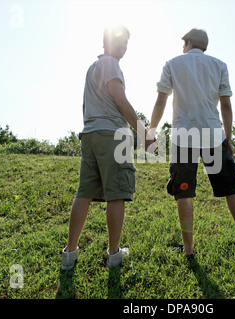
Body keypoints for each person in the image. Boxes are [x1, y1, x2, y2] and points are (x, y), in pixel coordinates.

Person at [149, 28, 235, 259]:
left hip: (183, 137)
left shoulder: (172, 64)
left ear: (187, 43)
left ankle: (188, 251)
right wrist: (229, 138)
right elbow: (225, 106)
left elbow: (161, 101)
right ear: (204, 46)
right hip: (213, 135)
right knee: (231, 187)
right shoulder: (219, 65)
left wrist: (151, 130)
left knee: (184, 192)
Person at [61, 25, 155, 270]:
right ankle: (114, 254)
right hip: (113, 134)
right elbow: (120, 100)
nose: (123, 47)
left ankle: (69, 254)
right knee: (118, 192)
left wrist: (92, 127)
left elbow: (84, 105)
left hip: (90, 133)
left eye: (126, 43)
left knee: (84, 192)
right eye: (120, 42)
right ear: (108, 43)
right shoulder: (111, 64)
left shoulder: (92, 68)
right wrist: (143, 133)